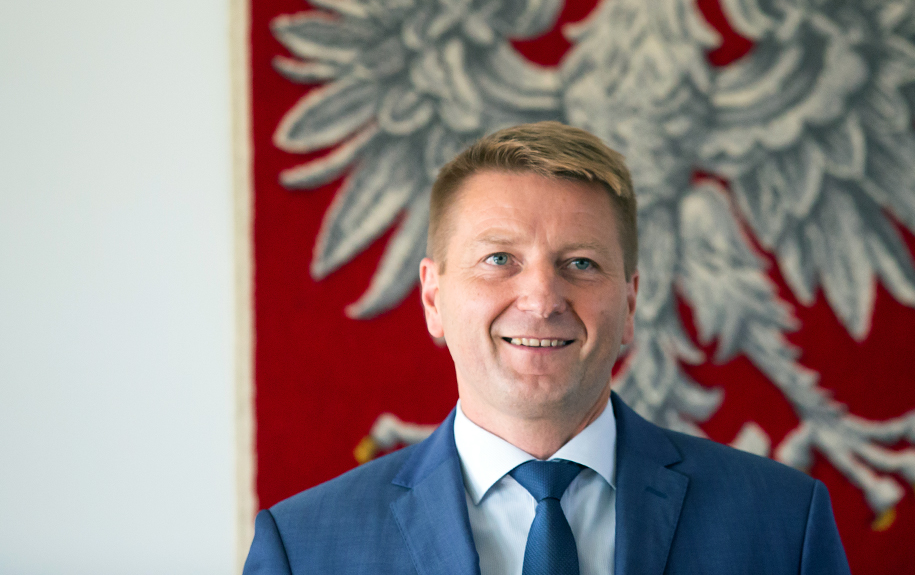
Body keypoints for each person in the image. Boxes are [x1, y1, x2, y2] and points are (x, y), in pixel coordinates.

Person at [243, 122, 852, 575]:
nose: (541, 299)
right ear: (433, 297)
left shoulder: (782, 523)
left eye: (580, 263)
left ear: (630, 303)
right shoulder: (303, 548)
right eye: (499, 259)